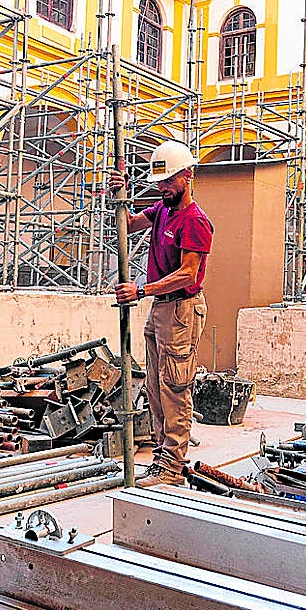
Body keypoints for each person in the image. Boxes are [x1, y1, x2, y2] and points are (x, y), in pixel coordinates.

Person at [110, 140, 213, 486]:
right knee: (155, 387)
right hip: (161, 309)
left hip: (181, 310)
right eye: (160, 183)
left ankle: (173, 465)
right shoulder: (162, 209)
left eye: (169, 181)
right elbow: (127, 223)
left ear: (187, 176)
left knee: (174, 388)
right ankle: (161, 457)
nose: (164, 188)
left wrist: (141, 290)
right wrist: (120, 194)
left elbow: (187, 273)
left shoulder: (195, 221)